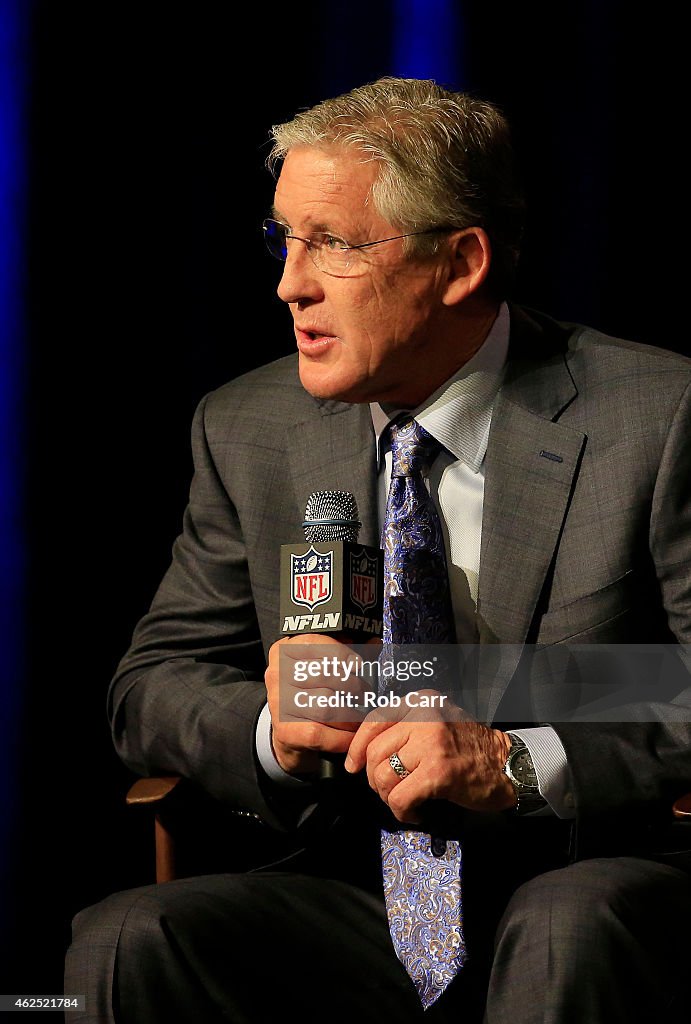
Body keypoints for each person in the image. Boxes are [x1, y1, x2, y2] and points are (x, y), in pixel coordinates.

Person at [65, 77, 691, 1023]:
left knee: (567, 922)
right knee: (128, 937)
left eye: (336, 244)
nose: (289, 283)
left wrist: (512, 757)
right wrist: (280, 728)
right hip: (349, 887)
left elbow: (679, 678)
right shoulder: (247, 426)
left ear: (461, 261)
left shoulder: (654, 413)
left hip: (587, 870)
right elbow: (153, 682)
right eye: (285, 238)